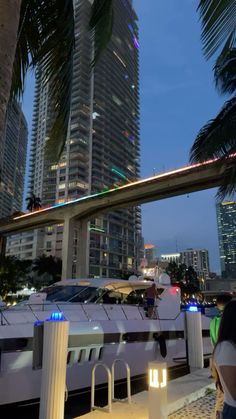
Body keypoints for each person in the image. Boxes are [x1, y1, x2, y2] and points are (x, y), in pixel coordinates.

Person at [210, 294, 232, 417]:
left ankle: (217, 414)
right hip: (227, 359)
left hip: (217, 359)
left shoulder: (213, 321)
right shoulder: (229, 321)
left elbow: (213, 342)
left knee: (220, 391)